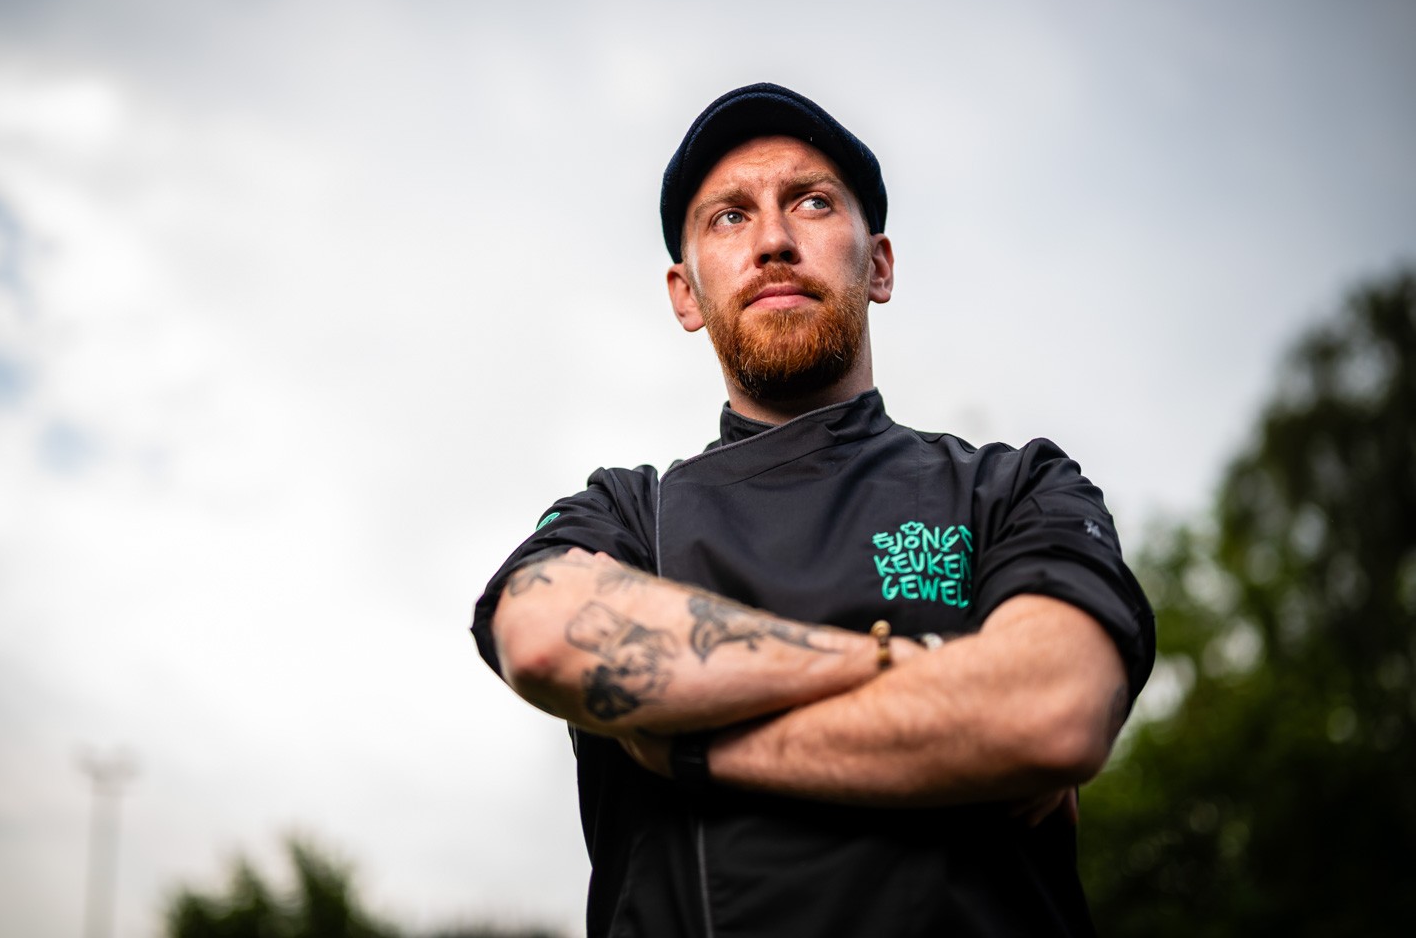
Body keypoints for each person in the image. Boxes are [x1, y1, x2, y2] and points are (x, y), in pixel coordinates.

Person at [470, 83, 1155, 937]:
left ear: (880, 265)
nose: (773, 240)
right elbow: (544, 636)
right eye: (730, 216)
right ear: (686, 295)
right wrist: (932, 675)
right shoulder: (627, 514)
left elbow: (1053, 710)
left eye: (813, 202)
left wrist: (695, 743)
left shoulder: (1015, 488)